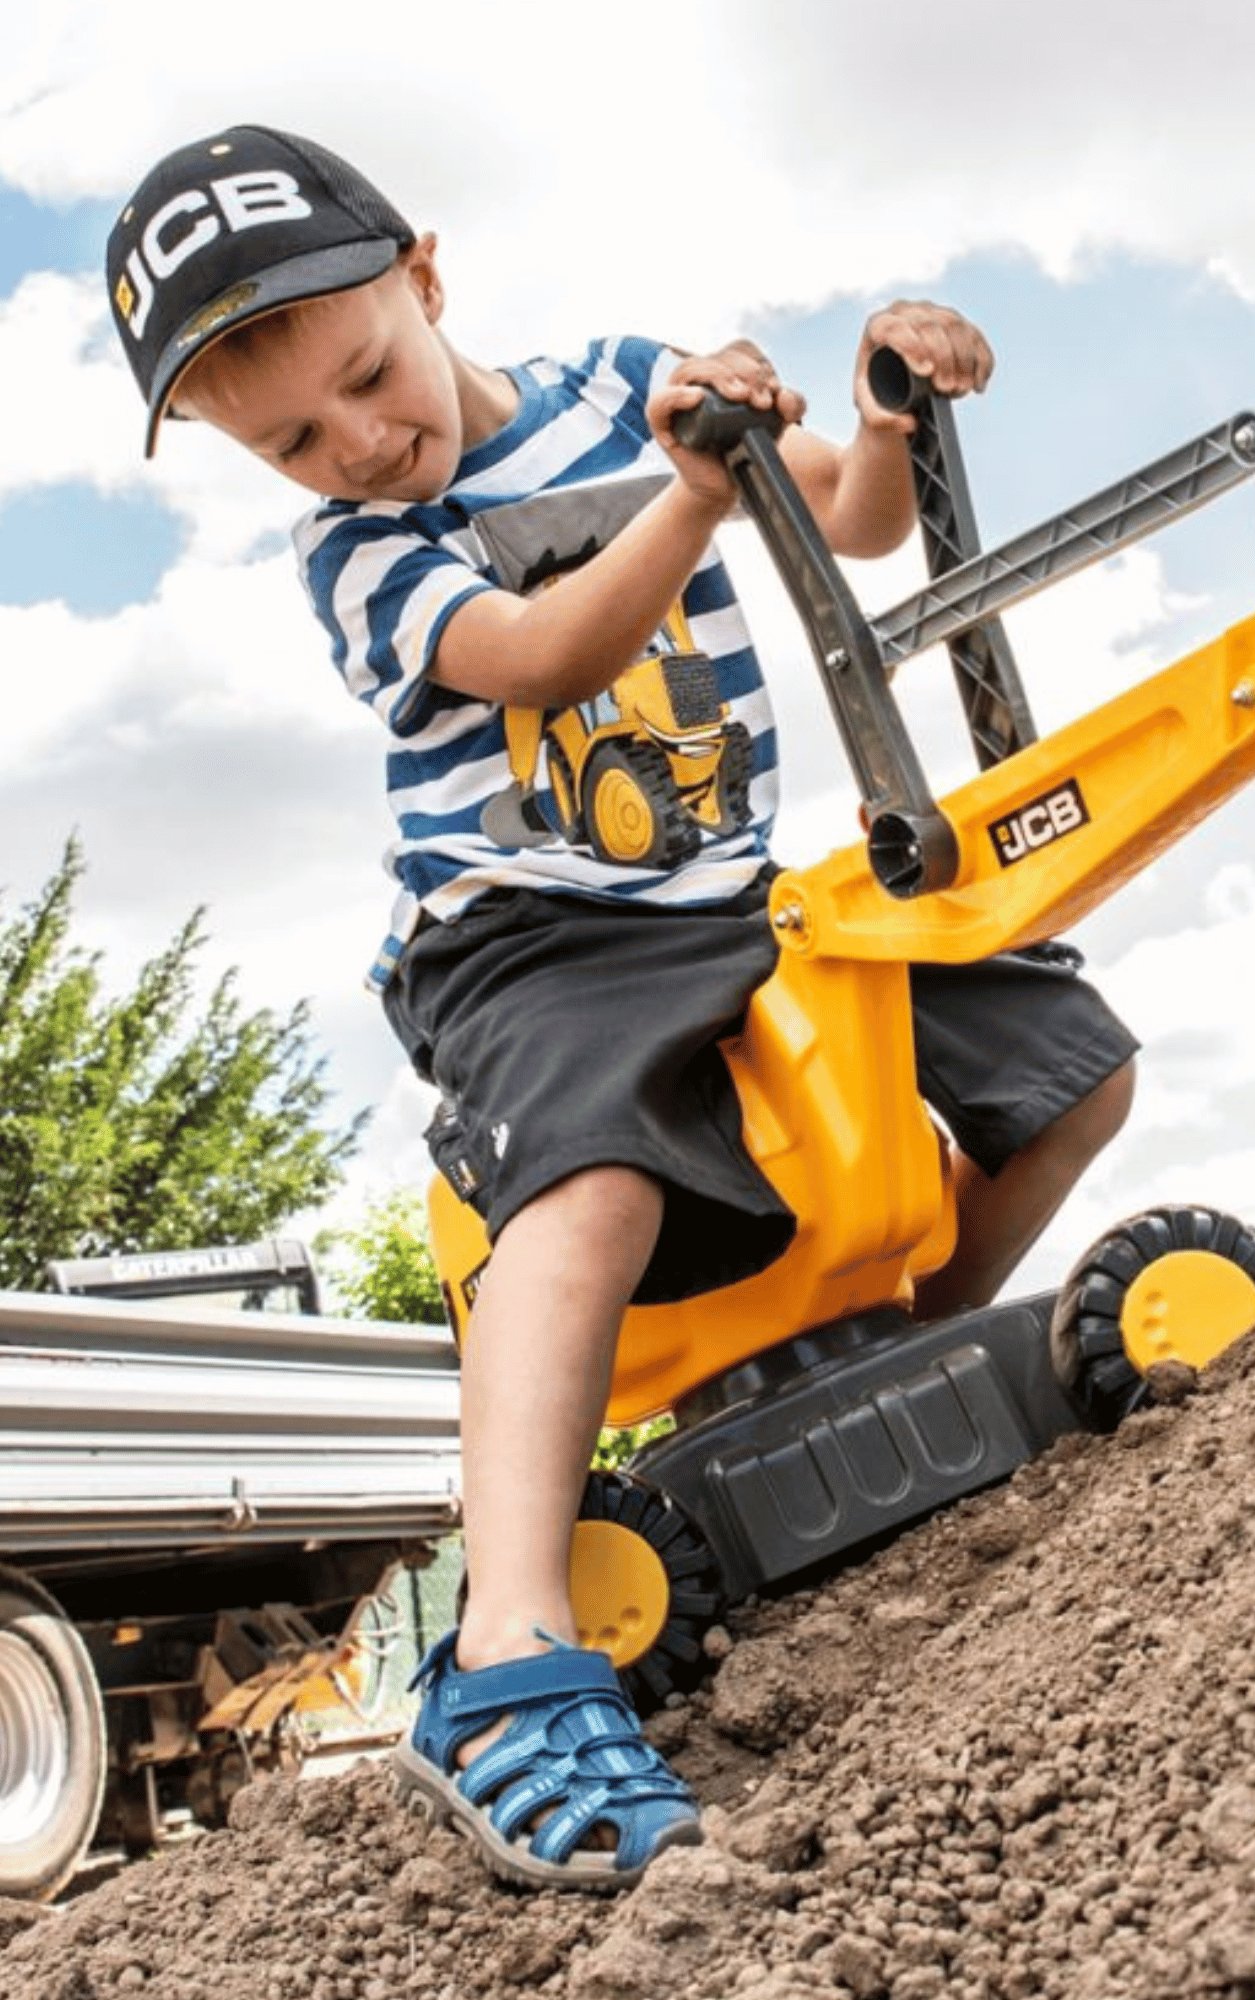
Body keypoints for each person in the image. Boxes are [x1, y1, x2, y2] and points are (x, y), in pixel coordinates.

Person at [105, 125, 1137, 1892]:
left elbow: (850, 523)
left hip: (729, 897)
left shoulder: (616, 387)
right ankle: (506, 1653)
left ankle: (909, 1344)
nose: (357, 445)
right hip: (525, 938)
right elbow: (544, 656)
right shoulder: (361, 557)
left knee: (1062, 1070)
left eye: (365, 377)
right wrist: (692, 495)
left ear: (426, 277)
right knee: (586, 1181)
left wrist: (881, 415)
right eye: (289, 443)